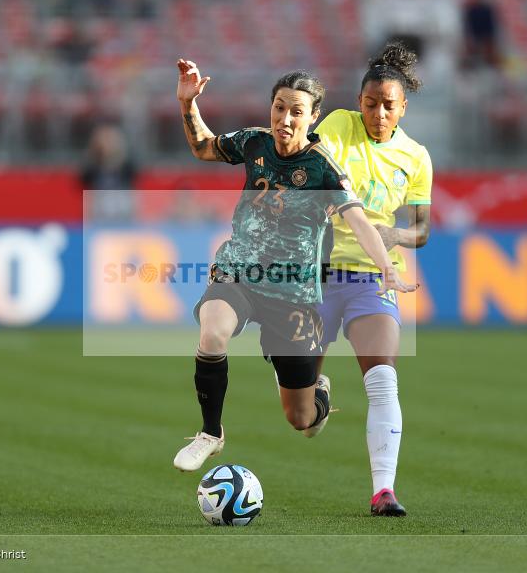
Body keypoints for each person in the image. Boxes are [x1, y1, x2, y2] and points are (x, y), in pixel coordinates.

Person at [172, 58, 418, 473]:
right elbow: (203, 146)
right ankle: (211, 434)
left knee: (301, 420)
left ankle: (318, 394)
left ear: (313, 116)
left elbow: (359, 222)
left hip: (292, 295)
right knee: (213, 332)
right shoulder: (253, 142)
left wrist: (387, 268)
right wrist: (187, 103)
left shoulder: (324, 169)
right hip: (240, 273)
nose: (285, 119)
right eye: (279, 108)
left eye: (296, 111)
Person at [313, 41, 433, 516]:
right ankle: (314, 393)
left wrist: (396, 233)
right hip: (317, 272)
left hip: (370, 277)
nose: (378, 114)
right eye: (370, 103)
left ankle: (383, 490)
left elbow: (422, 228)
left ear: (403, 106)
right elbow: (315, 164)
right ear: (358, 101)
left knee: (383, 380)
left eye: (388, 105)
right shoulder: (337, 126)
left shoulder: (417, 157)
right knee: (300, 416)